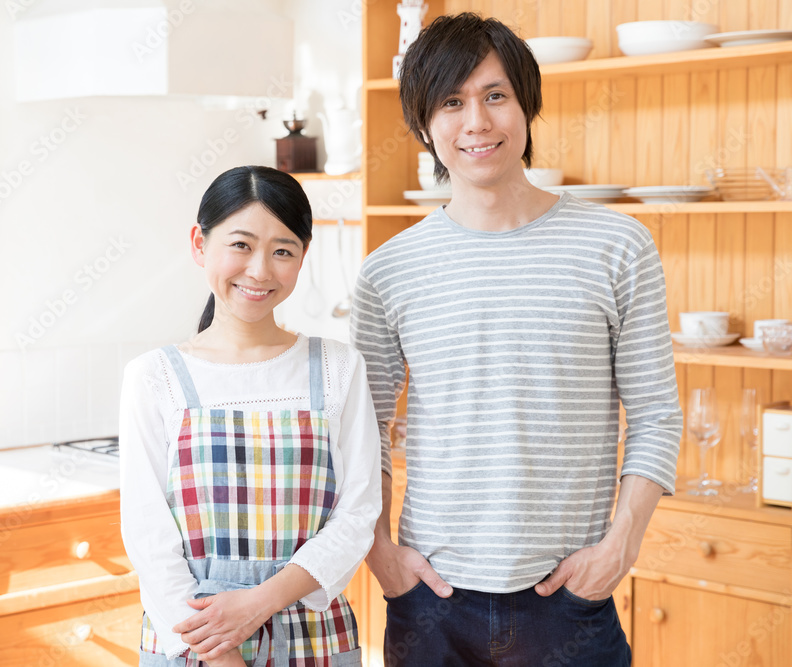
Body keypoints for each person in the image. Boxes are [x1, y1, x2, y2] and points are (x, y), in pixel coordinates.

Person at [350, 13, 683, 666]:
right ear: (424, 125)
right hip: (431, 599)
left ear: (526, 106)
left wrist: (621, 545)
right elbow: (362, 427)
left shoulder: (617, 246)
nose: (476, 122)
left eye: (495, 95)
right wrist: (379, 551)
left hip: (570, 595)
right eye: (452, 102)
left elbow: (656, 412)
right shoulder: (388, 269)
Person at [120, 165, 382, 667]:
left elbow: (359, 514)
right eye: (240, 244)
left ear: (303, 259)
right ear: (200, 244)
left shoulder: (338, 368)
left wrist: (261, 603)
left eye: (283, 250)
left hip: (313, 636)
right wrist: (220, 653)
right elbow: (148, 536)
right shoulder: (154, 377)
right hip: (193, 639)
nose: (260, 270)